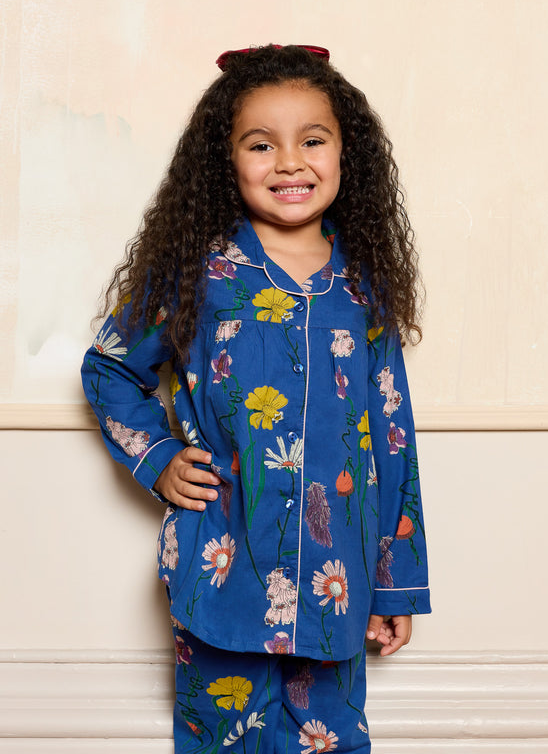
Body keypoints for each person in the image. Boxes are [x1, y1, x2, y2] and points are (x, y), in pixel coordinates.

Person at [82, 44, 430, 753]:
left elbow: (394, 439)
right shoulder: (197, 272)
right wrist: (158, 455)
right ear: (226, 159)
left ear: (345, 153)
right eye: (261, 144)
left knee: (332, 742)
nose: (289, 162)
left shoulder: (364, 287)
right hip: (224, 572)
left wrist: (397, 587)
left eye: (313, 140)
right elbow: (110, 367)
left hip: (338, 585)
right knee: (221, 739)